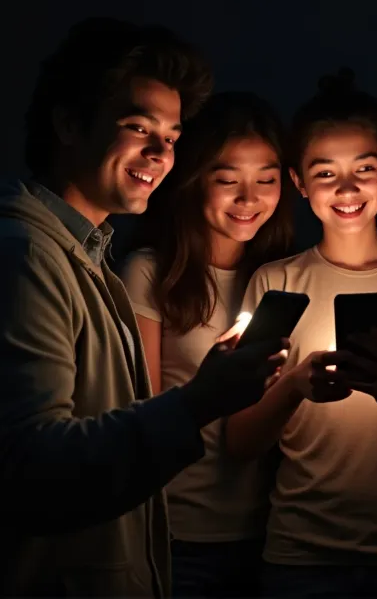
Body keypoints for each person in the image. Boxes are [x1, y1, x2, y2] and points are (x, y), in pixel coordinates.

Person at [0, 18, 289, 597]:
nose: (161, 152)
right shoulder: (14, 259)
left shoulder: (82, 255)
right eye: (138, 127)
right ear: (67, 123)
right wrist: (200, 401)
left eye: (171, 134)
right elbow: (28, 470)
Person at [225, 71, 377, 597]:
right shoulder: (277, 282)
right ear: (298, 182)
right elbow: (240, 441)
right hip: (300, 553)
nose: (347, 188)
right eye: (325, 172)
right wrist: (294, 387)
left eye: (364, 168)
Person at [119, 91, 294, 597]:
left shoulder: (281, 275)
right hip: (179, 534)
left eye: (267, 179)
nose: (249, 198)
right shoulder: (152, 272)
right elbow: (139, 415)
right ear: (194, 180)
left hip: (270, 532)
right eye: (226, 180)